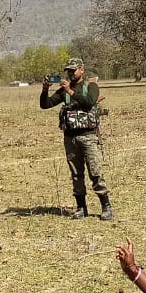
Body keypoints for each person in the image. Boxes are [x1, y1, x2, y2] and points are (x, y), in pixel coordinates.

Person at [40, 57, 113, 221]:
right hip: (70, 138)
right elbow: (45, 104)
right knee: (76, 174)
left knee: (95, 172)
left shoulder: (90, 86)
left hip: (87, 136)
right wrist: (45, 89)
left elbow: (88, 103)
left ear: (82, 70)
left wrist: (70, 91)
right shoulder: (64, 90)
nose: (71, 73)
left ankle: (106, 206)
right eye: (69, 71)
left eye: (74, 70)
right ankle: (81, 207)